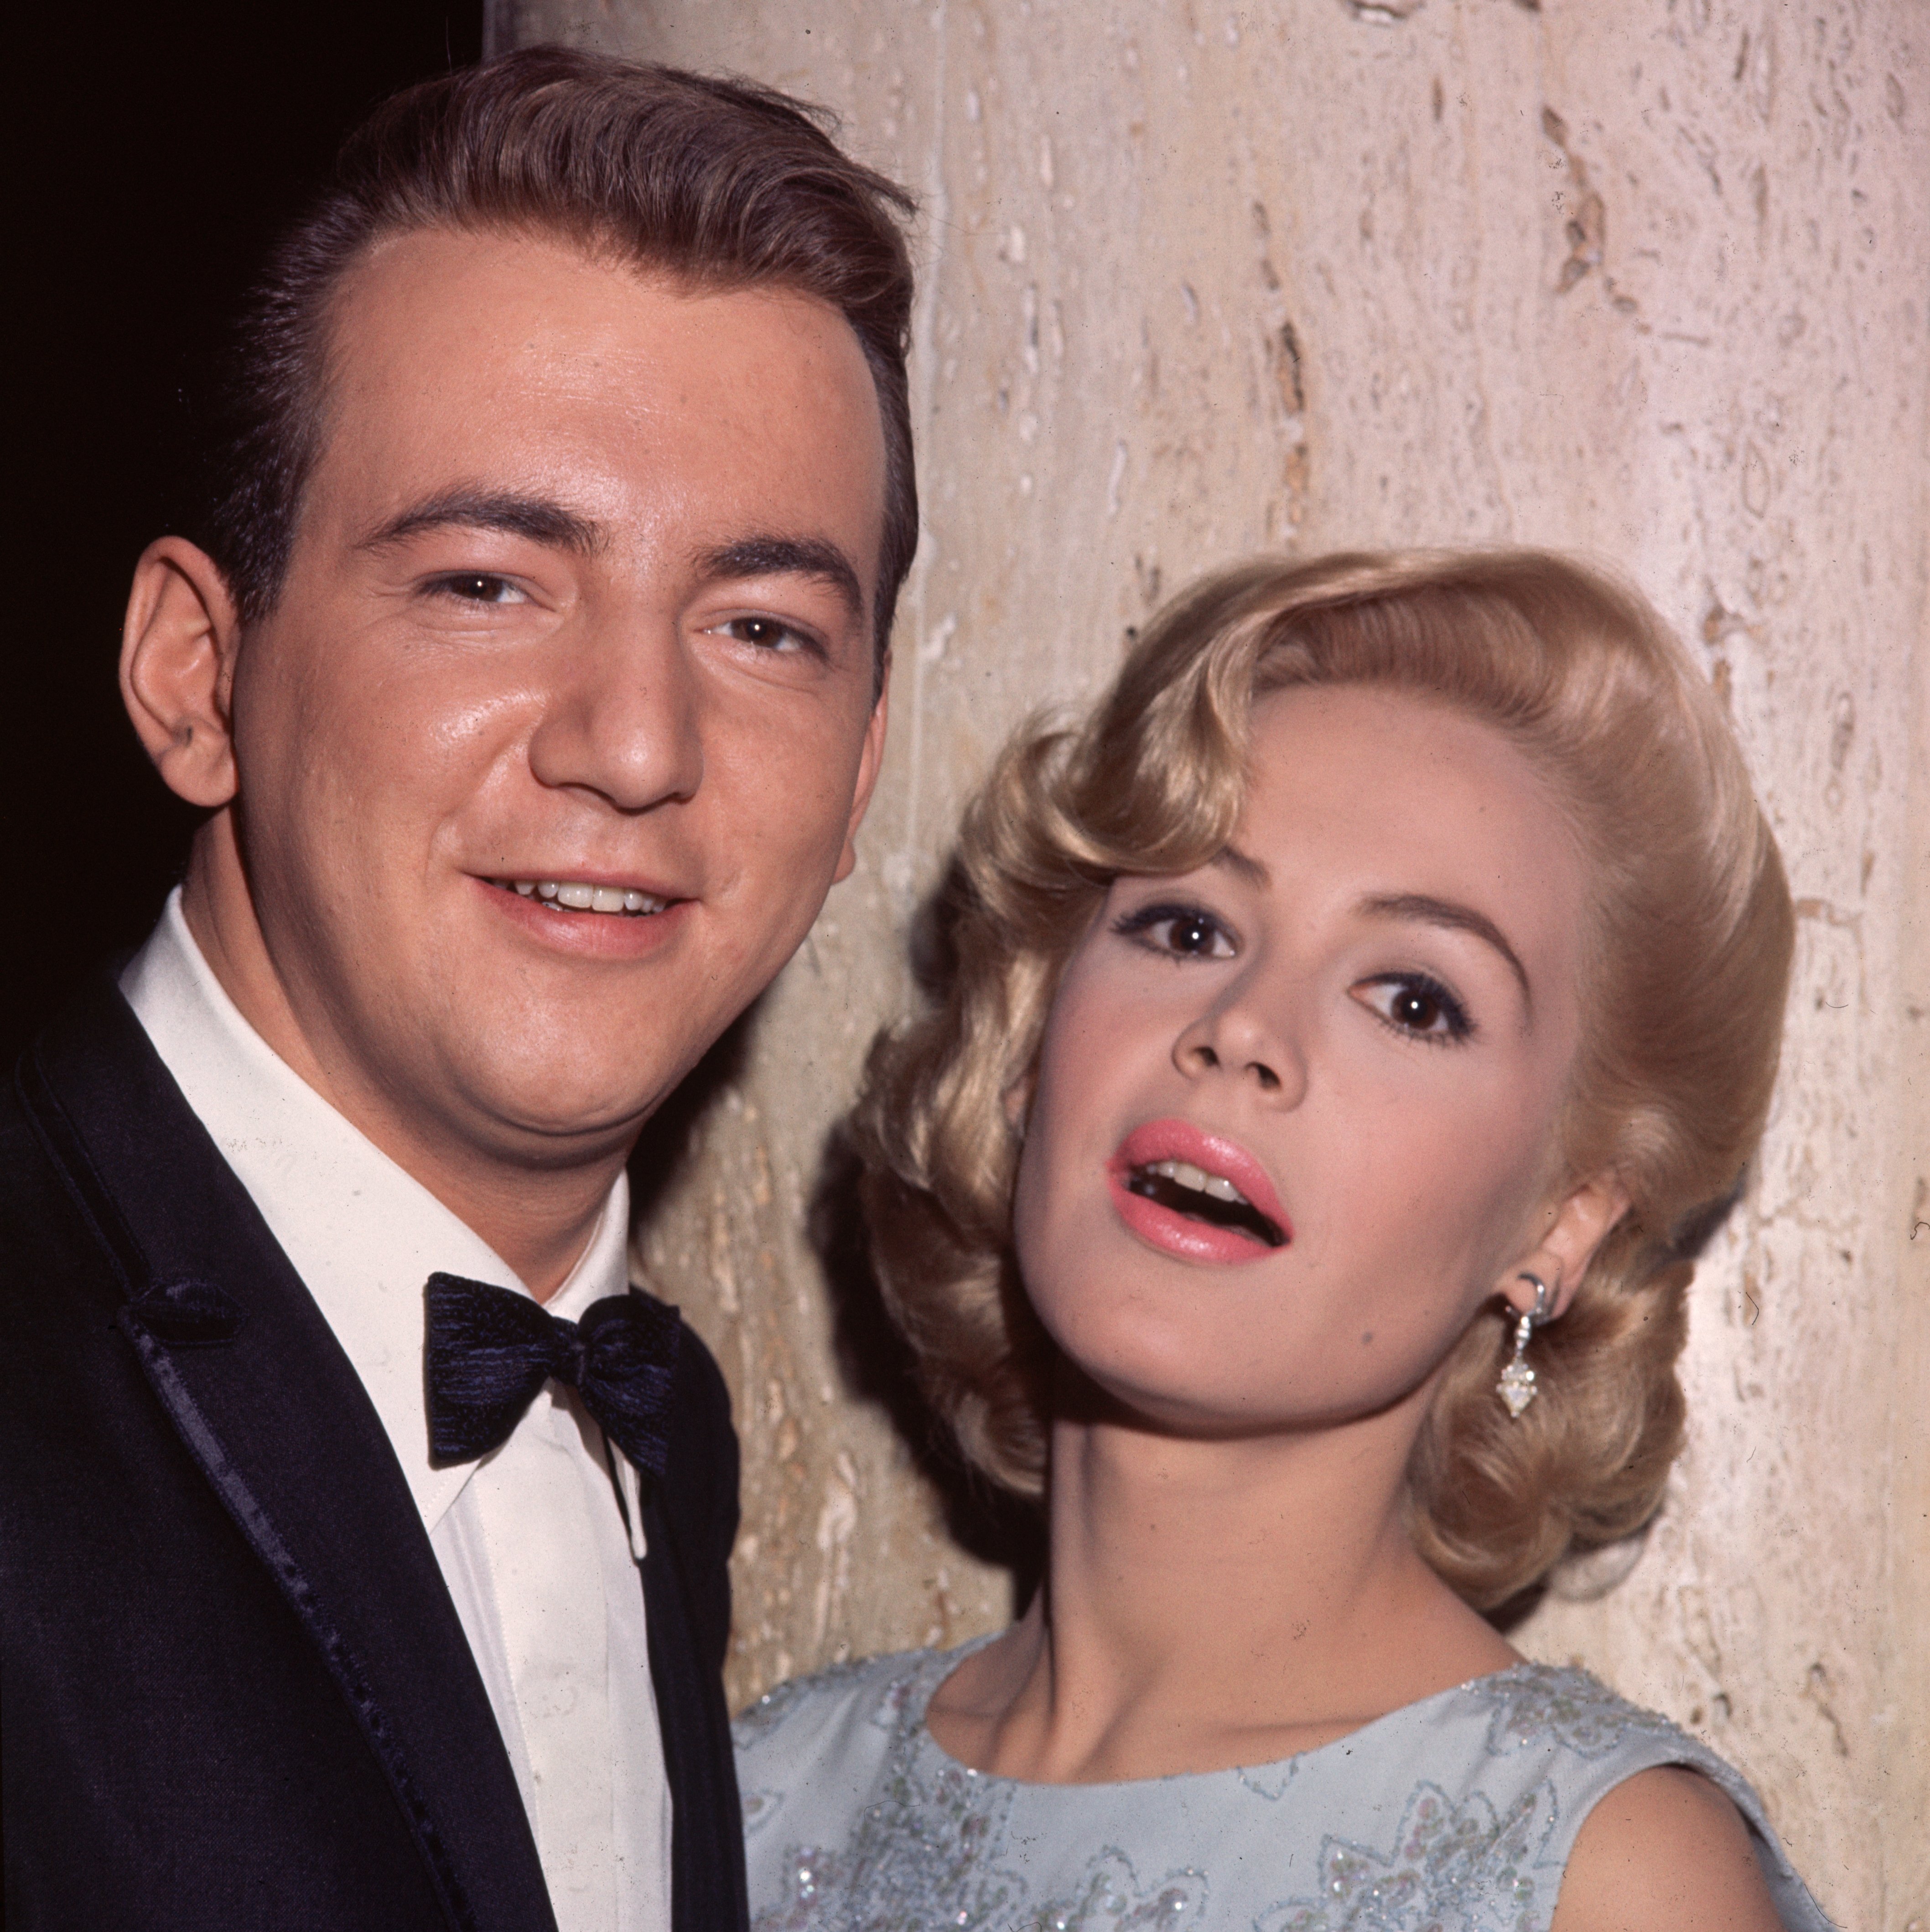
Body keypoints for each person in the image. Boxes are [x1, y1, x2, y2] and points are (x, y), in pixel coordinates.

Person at [1, 47, 916, 1932]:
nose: (639, 744)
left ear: (859, 771)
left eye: (762, 628)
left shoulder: (662, 1438)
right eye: (491, 584)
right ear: (196, 672)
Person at [733, 552, 1831, 1930]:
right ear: (1033, 1053)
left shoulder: (1606, 1881)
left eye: (1414, 1001)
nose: (1245, 1028)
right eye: (1186, 926)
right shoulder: (753, 1806)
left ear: (1559, 1224)